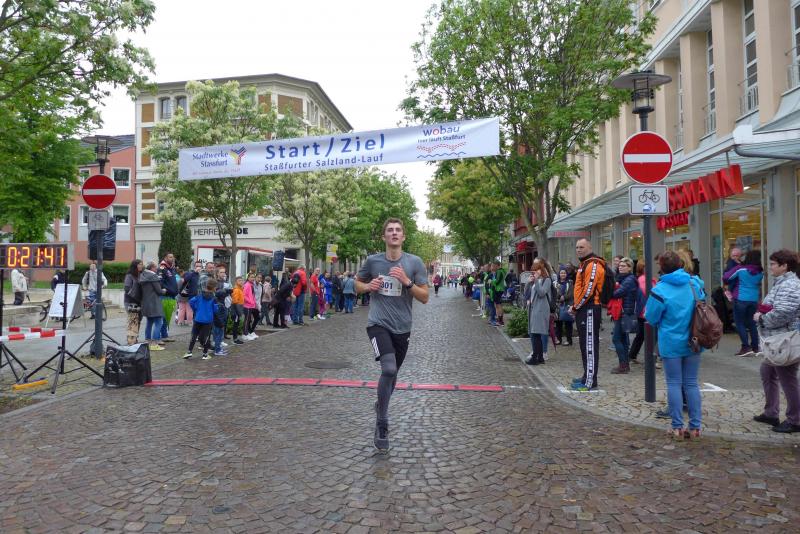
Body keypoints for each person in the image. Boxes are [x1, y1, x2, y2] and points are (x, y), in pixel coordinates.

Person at [356, 218, 429, 451]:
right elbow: (357, 284)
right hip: (378, 324)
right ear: (384, 237)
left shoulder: (414, 262)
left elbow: (425, 297)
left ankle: (381, 405)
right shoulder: (373, 261)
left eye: (398, 230)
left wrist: (407, 282)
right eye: (390, 230)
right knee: (388, 369)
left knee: (393, 374)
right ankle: (382, 422)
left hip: (403, 327)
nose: (394, 233)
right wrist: (368, 287)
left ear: (403, 237)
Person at [644, 251, 705, 439]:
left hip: (671, 342)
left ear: (661, 267)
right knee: (691, 383)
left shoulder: (660, 290)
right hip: (694, 340)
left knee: (674, 383)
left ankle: (677, 426)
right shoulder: (694, 284)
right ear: (681, 264)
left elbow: (651, 317)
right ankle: (695, 427)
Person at [753, 249, 800, 433]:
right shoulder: (782, 282)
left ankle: (795, 419)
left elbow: (783, 312)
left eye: (773, 264)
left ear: (784, 266)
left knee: (787, 378)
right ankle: (771, 412)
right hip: (776, 340)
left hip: (784, 340)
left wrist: (762, 319)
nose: (770, 267)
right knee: (767, 371)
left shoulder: (790, 285)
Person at [569, 239, 606, 392]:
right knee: (585, 345)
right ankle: (587, 376)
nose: (579, 249)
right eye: (577, 247)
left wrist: (575, 307)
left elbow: (588, 290)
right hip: (584, 309)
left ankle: (589, 381)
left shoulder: (593, 264)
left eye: (582, 247)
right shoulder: (585, 264)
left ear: (590, 247)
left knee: (589, 346)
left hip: (590, 309)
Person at [723, 250, 764, 356]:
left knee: (739, 323)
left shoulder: (741, 269)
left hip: (740, 298)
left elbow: (726, 277)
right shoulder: (760, 272)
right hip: (753, 299)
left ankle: (745, 347)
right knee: (751, 323)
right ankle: (755, 347)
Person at [610, 258, 638, 374]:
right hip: (623, 312)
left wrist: (607, 292)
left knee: (616, 339)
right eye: (620, 266)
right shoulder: (623, 278)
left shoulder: (629, 280)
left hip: (624, 313)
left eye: (624, 266)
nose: (620, 267)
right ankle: (625, 364)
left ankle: (623, 364)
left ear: (630, 268)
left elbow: (617, 293)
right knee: (623, 340)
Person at [183, 278, 219, 360]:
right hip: (208, 320)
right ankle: (205, 354)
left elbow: (191, 302)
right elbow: (215, 310)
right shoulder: (214, 298)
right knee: (206, 337)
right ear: (214, 287)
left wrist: (196, 309)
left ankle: (189, 352)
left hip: (198, 318)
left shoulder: (199, 295)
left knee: (194, 335)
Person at [525, 261, 552, 365]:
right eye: (533, 270)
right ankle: (540, 357)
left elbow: (542, 293)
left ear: (542, 270)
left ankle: (535, 357)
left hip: (541, 309)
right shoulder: (535, 281)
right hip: (533, 309)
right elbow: (526, 294)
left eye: (537, 270)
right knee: (535, 333)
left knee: (535, 333)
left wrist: (536, 281)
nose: (535, 272)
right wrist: (529, 282)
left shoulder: (547, 280)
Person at [139, 261, 166, 351]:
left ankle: (147, 340)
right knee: (159, 322)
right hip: (154, 303)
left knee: (149, 322)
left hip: (146, 303)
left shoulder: (143, 275)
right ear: (152, 268)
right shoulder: (153, 276)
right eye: (155, 267)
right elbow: (159, 291)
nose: (157, 268)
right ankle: (154, 344)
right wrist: (164, 290)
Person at [627, 261, 649, 364]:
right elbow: (646, 295)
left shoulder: (645, 279)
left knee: (641, 335)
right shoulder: (643, 280)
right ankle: (652, 359)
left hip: (643, 311)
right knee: (649, 335)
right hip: (645, 312)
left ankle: (632, 354)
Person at [157, 253, 179, 342]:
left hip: (171, 296)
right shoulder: (162, 268)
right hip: (165, 296)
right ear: (165, 258)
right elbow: (160, 282)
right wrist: (167, 289)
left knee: (167, 317)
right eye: (170, 257)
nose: (172, 258)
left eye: (173, 257)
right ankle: (158, 337)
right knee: (162, 318)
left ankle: (164, 336)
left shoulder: (171, 268)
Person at [123, 260, 144, 345]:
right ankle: (130, 340)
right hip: (131, 301)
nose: (141, 266)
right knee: (133, 320)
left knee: (138, 320)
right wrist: (135, 296)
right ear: (135, 265)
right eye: (139, 264)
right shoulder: (129, 276)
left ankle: (135, 338)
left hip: (139, 301)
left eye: (142, 264)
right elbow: (127, 288)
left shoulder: (141, 275)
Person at [177, 261, 201, 326]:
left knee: (182, 309)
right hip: (189, 295)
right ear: (194, 266)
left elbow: (178, 288)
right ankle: (189, 322)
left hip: (182, 296)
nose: (198, 267)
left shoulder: (197, 275)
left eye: (199, 266)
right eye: (197, 266)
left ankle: (180, 322)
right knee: (189, 309)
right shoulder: (192, 274)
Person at [555, 269, 574, 346]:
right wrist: (559, 297)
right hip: (558, 306)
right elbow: (554, 293)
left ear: (566, 274)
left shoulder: (570, 282)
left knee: (568, 323)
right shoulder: (555, 283)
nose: (563, 274)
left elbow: (571, 293)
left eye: (564, 273)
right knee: (558, 324)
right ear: (559, 274)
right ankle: (559, 339)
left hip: (567, 305)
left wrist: (564, 297)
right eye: (561, 273)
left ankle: (569, 340)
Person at [231, 276, 245, 344]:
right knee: (235, 325)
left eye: (242, 280)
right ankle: (235, 339)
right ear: (236, 282)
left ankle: (236, 338)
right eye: (239, 280)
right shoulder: (236, 290)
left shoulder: (240, 289)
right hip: (236, 310)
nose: (241, 282)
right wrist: (239, 312)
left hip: (239, 309)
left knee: (237, 324)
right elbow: (235, 302)